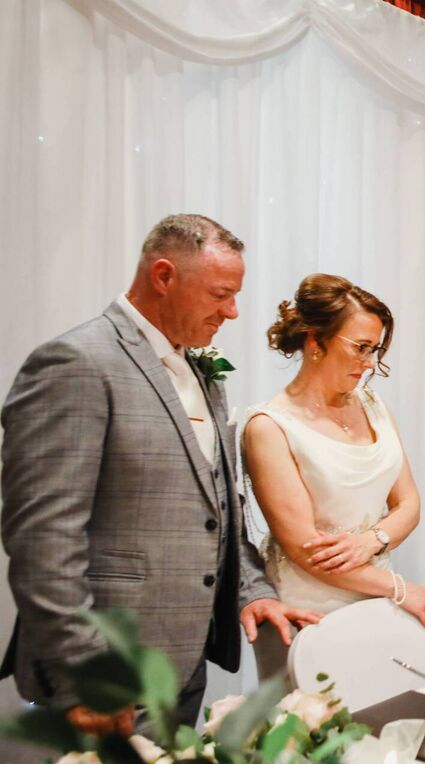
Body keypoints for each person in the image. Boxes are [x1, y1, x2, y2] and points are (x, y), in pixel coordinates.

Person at [0, 214, 319, 736]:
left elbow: (218, 507)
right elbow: (43, 539)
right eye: (220, 294)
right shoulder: (75, 363)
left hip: (184, 658)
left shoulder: (198, 369)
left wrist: (253, 590)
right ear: (164, 276)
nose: (233, 311)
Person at [242, 274, 425, 680]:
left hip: (375, 593)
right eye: (361, 348)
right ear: (316, 340)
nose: (370, 364)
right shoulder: (269, 426)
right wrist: (400, 588)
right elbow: (307, 551)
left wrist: (374, 539)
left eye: (375, 350)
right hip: (309, 607)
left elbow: (409, 503)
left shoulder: (373, 405)